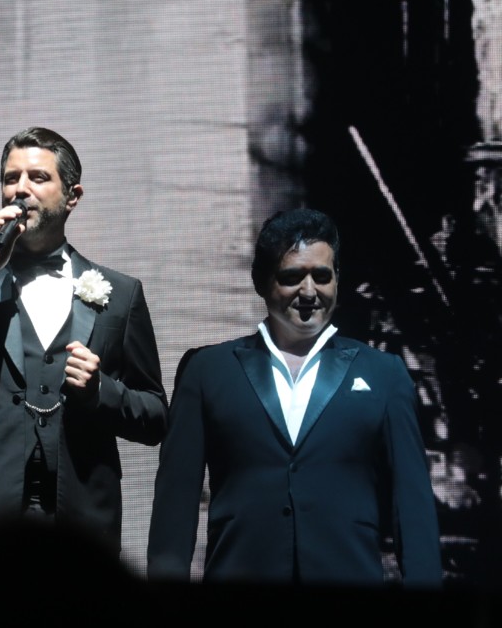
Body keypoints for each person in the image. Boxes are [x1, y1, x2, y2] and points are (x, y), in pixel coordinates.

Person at [147, 208, 441, 585]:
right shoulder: (208, 371)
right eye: (292, 277)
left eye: (322, 276)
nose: (309, 292)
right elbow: (176, 503)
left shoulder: (385, 374)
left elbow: (412, 506)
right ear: (261, 281)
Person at [0, 127, 166, 548]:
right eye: (10, 178)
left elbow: (155, 417)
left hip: (84, 524)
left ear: (72, 196)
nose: (20, 189)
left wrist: (100, 391)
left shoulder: (121, 294)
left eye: (38, 177)